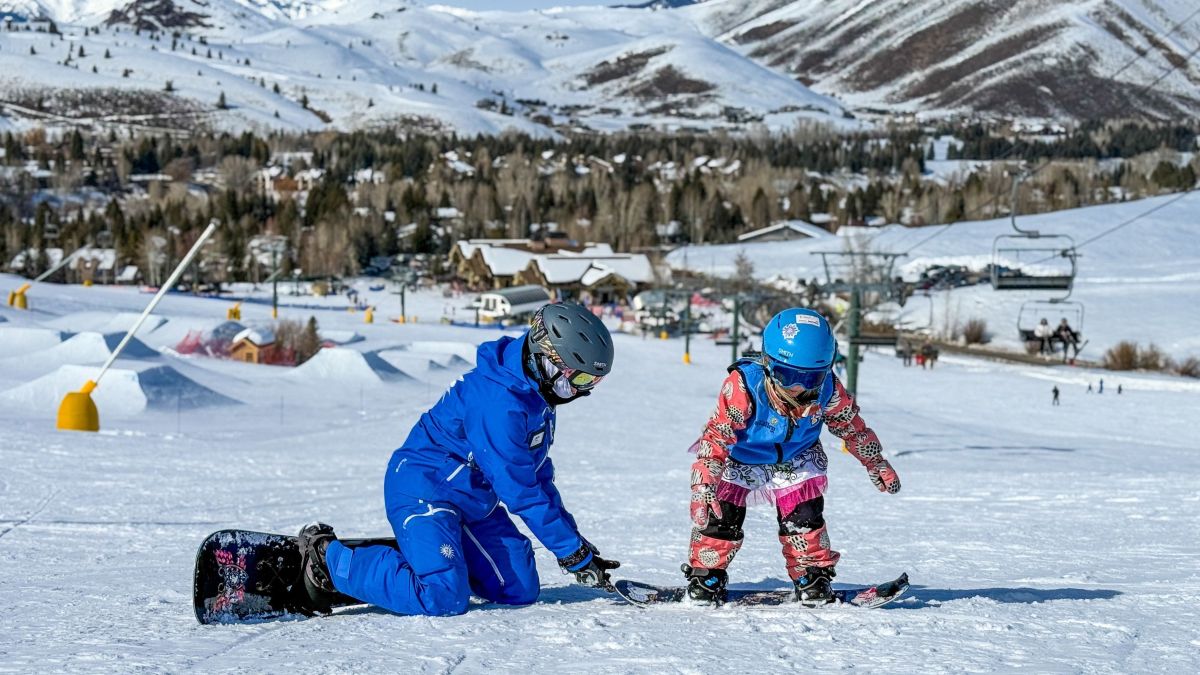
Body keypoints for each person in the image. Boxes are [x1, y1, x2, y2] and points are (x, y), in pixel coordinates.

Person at [297, 303, 620, 617]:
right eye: (576, 380)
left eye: (591, 383)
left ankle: (433, 554)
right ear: (543, 358)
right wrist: (569, 552)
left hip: (474, 502)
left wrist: (574, 544)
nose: (579, 392)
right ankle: (328, 559)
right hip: (425, 490)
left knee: (519, 590)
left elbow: (536, 476)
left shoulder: (536, 397)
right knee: (443, 598)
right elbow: (519, 490)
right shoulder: (498, 404)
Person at [683, 308, 900, 607]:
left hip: (797, 459)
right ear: (769, 364)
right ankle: (706, 574)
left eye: (810, 377)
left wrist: (876, 461)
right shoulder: (744, 386)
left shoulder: (827, 390)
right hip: (741, 459)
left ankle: (811, 575)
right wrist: (703, 487)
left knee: (805, 519)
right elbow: (717, 435)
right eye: (788, 376)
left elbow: (851, 425)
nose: (799, 388)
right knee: (721, 517)